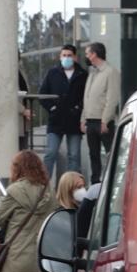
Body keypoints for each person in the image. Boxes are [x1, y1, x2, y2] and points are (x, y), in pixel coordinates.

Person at [39, 44, 88, 181]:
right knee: (50, 153)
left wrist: (79, 108)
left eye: (69, 55)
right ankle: (44, 186)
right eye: (64, 55)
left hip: (74, 120)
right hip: (56, 120)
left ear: (75, 57)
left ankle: (72, 187)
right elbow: (42, 95)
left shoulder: (82, 74)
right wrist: (52, 108)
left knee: (74, 155)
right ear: (60, 57)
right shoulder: (53, 73)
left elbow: (87, 96)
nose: (66, 58)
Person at [79, 41, 120, 184]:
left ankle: (112, 182)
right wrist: (83, 118)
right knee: (93, 155)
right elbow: (87, 97)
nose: (86, 56)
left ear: (94, 54)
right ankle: (95, 184)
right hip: (91, 121)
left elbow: (112, 98)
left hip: (103, 122)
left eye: (87, 53)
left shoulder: (110, 72)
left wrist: (105, 120)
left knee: (110, 154)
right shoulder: (93, 72)